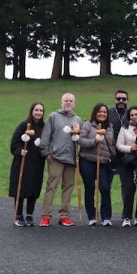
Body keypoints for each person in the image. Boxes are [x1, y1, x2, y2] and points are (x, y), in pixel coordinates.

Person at [39, 93, 82, 227]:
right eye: (66, 101)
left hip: (71, 159)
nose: (68, 103)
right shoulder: (53, 116)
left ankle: (64, 216)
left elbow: (81, 140)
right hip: (55, 157)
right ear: (61, 102)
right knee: (51, 186)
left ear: (74, 103)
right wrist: (47, 154)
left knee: (68, 187)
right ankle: (46, 216)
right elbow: (45, 136)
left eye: (71, 101)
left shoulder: (78, 120)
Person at [8, 102, 46, 227]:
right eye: (36, 110)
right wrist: (20, 151)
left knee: (34, 187)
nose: (39, 112)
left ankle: (29, 214)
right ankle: (18, 215)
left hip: (37, 162)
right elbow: (14, 142)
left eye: (41, 110)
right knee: (21, 187)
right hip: (23, 161)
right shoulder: (24, 125)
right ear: (31, 111)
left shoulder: (43, 126)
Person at [78, 104, 116, 226]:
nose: (102, 114)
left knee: (105, 188)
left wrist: (112, 155)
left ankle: (106, 217)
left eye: (104, 112)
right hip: (87, 160)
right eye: (100, 111)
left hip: (104, 162)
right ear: (95, 112)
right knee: (90, 188)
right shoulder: (88, 125)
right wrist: (95, 141)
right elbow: (80, 140)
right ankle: (92, 216)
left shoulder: (110, 127)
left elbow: (112, 144)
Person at [116, 106, 137, 227]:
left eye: (136, 114)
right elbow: (119, 144)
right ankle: (127, 217)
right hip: (128, 162)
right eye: (132, 115)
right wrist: (130, 148)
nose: (134, 117)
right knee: (128, 189)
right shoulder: (124, 128)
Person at [107, 90, 129, 199]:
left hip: (126, 155)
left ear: (127, 100)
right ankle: (106, 213)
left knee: (126, 186)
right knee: (106, 186)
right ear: (115, 100)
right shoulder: (108, 112)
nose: (121, 101)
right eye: (118, 99)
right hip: (110, 154)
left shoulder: (131, 113)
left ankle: (126, 214)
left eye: (123, 99)